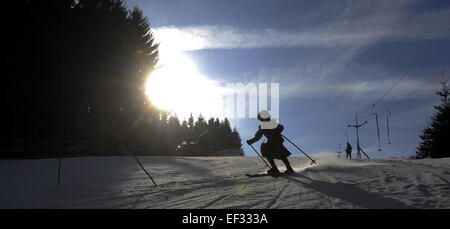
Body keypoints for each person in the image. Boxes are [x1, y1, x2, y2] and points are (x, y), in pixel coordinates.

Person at [246, 110, 294, 176]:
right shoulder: (265, 125)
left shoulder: (269, 123)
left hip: (275, 141)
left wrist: (276, 128)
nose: (260, 119)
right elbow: (258, 136)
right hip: (275, 141)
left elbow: (281, 127)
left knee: (269, 152)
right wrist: (251, 141)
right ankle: (287, 168)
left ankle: (277, 169)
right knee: (280, 154)